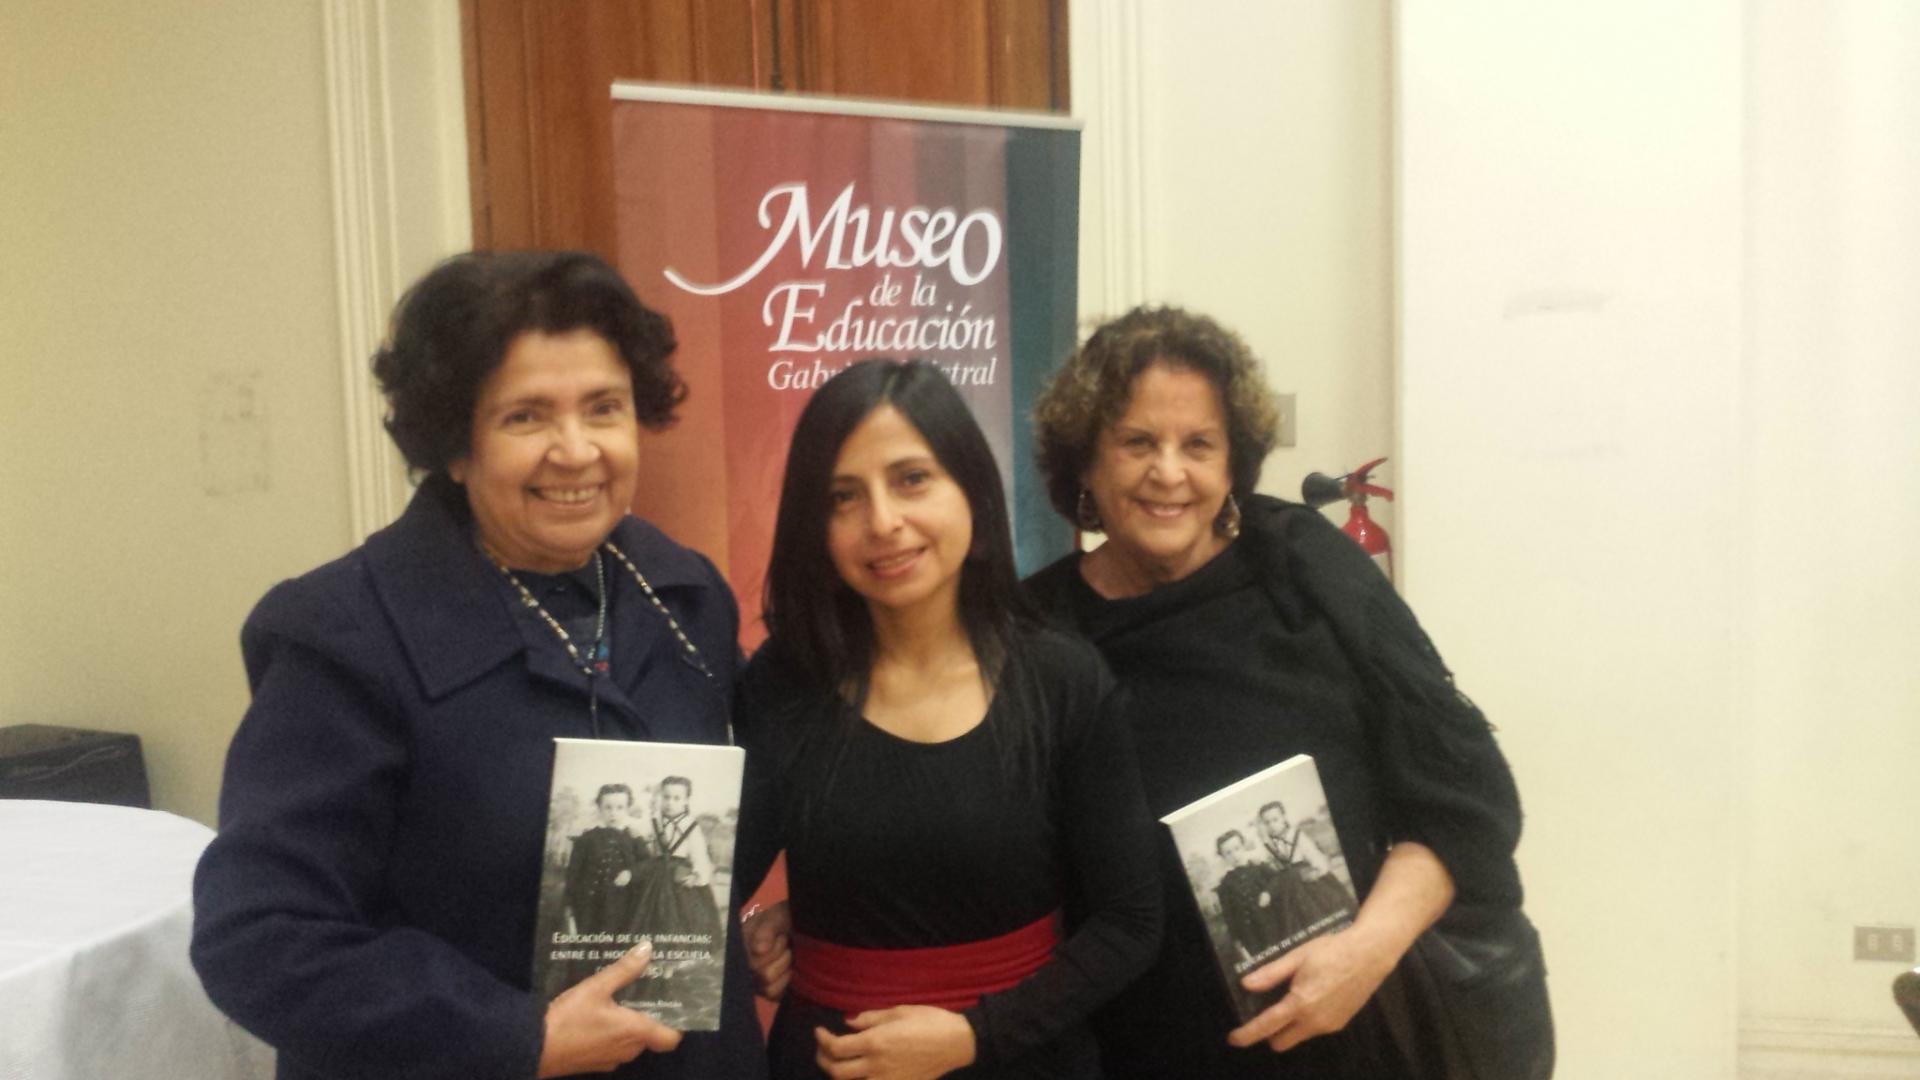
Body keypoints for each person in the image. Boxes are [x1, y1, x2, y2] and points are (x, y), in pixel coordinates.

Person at [191, 251, 766, 1080]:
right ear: (453, 445)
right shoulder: (342, 636)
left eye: (604, 408)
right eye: (527, 417)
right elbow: (261, 936)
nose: (576, 451)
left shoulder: (684, 596)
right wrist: (513, 1035)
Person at [1020, 305, 1530, 1079]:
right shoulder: (1032, 631)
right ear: (1084, 464)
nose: (1169, 472)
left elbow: (1465, 802)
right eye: (1136, 443)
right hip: (1120, 1054)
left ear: (1233, 464)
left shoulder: (1306, 573)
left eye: (1199, 445)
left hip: (1341, 1036)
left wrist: (1366, 952)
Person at [732, 359, 1162, 1079]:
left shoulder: (1061, 678)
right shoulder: (781, 682)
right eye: (843, 496)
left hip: (1024, 1057)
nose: (883, 522)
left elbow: (1130, 925)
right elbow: (713, 883)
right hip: (829, 1064)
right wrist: (745, 940)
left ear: (972, 492)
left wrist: (975, 1036)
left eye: (911, 479)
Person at [630, 776, 723, 945]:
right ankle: (653, 956)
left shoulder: (690, 826)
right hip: (656, 876)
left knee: (680, 917)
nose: (670, 803)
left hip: (679, 877)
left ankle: (673, 961)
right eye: (666, 797)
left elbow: (699, 854)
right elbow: (644, 839)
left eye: (676, 798)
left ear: (686, 800)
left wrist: (697, 875)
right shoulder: (655, 822)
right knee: (653, 914)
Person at [568, 783, 646, 936]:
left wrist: (631, 873)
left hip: (623, 905)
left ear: (628, 808)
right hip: (589, 905)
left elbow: (647, 864)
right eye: (608, 807)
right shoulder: (587, 838)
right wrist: (569, 906)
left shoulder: (634, 837)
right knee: (587, 947)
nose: (613, 813)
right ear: (599, 808)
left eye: (620, 808)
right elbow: (573, 873)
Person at [1213, 830, 1294, 965]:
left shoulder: (1258, 868)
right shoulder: (1225, 886)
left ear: (1244, 846)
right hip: (1251, 935)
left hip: (1275, 924)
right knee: (1267, 964)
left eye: (1237, 848)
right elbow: (1229, 916)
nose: (1234, 855)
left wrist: (1268, 892)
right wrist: (1238, 943)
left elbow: (1278, 878)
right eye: (1228, 853)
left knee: (1287, 957)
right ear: (1223, 857)